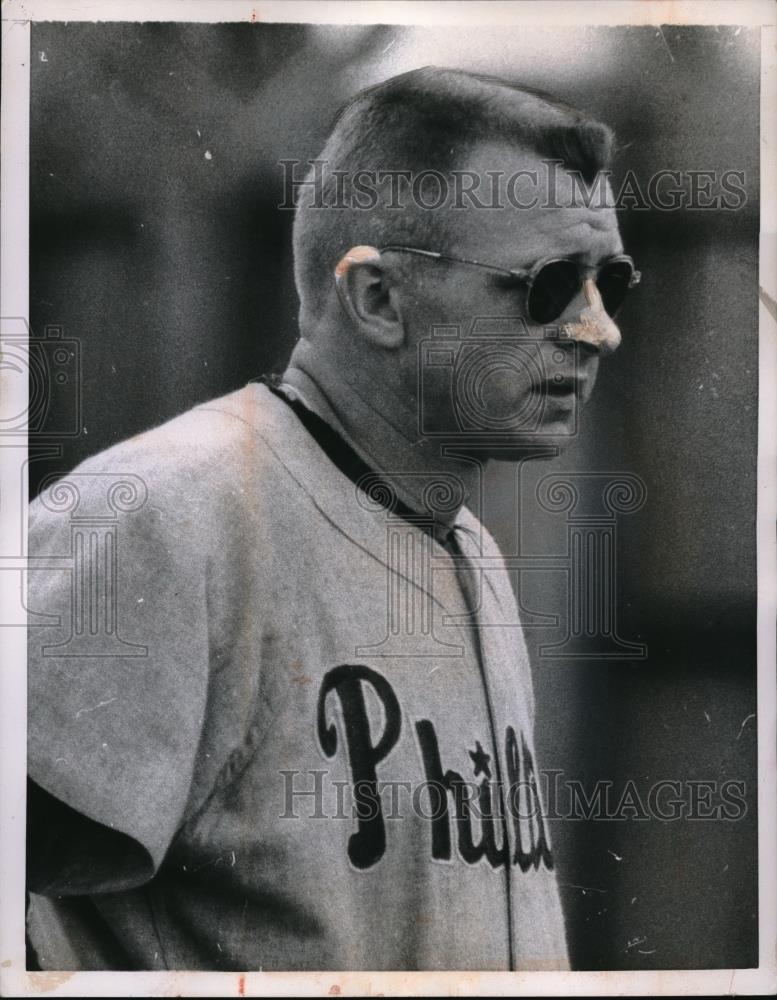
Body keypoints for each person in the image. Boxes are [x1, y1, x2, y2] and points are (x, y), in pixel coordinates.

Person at [26, 66, 635, 971]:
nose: (597, 330)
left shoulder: (468, 545)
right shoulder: (167, 514)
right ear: (377, 299)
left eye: (610, 283)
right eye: (549, 286)